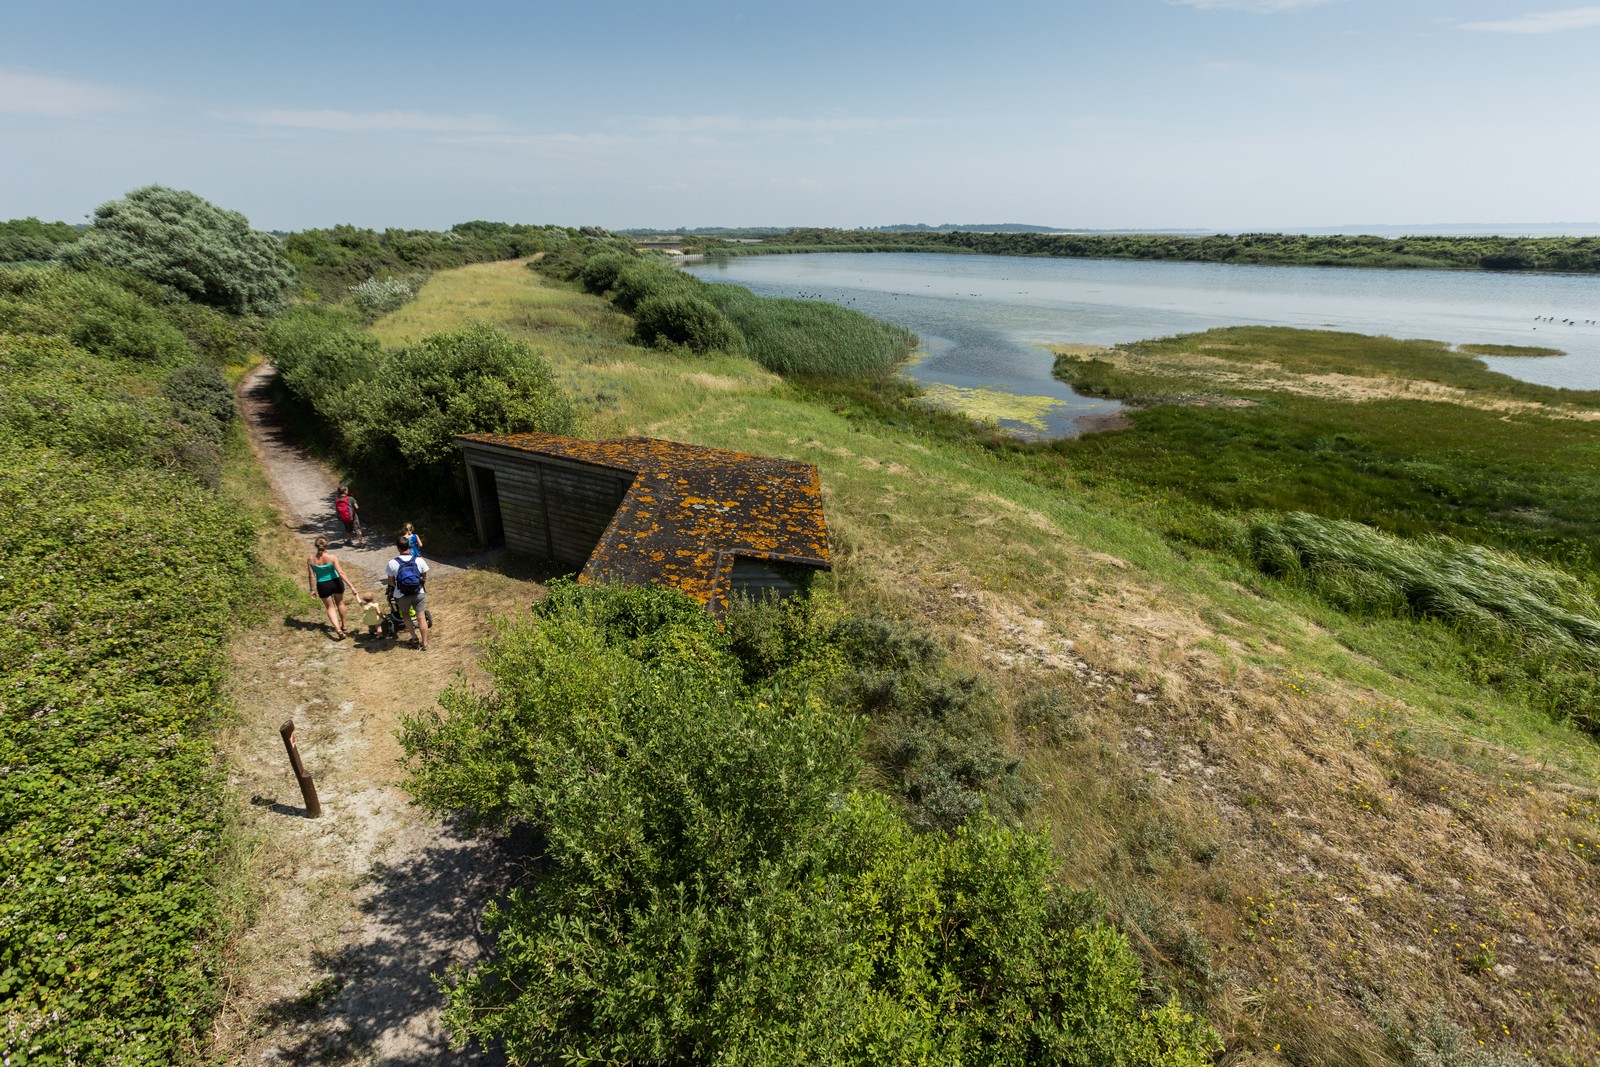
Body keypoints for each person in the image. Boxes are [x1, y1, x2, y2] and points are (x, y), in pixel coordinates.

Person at [385, 533, 431, 650]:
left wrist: (398, 587)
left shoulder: (392, 563)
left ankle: (414, 638)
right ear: (409, 547)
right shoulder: (419, 560)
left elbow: (390, 582)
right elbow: (424, 576)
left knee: (405, 615)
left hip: (402, 594)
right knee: (421, 616)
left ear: (398, 548)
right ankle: (425, 643)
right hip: (418, 592)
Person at [307, 537, 352, 638]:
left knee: (330, 607)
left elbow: (311, 576)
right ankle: (344, 625)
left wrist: (312, 590)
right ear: (327, 545)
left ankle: (338, 629)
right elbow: (340, 572)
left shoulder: (310, 560)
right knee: (340, 603)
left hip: (322, 585)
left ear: (316, 546)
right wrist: (351, 586)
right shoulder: (332, 558)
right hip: (335, 582)